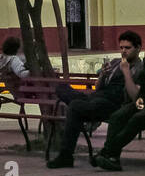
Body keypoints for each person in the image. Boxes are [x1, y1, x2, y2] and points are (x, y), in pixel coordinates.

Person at [48, 31, 144, 168]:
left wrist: (126, 72)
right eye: (121, 48)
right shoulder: (116, 62)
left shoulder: (139, 68)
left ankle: (66, 155)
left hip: (114, 103)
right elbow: (98, 88)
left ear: (138, 48)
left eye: (127, 48)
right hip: (98, 97)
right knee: (62, 88)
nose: (123, 51)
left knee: (75, 108)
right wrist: (103, 76)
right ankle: (67, 154)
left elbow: (134, 97)